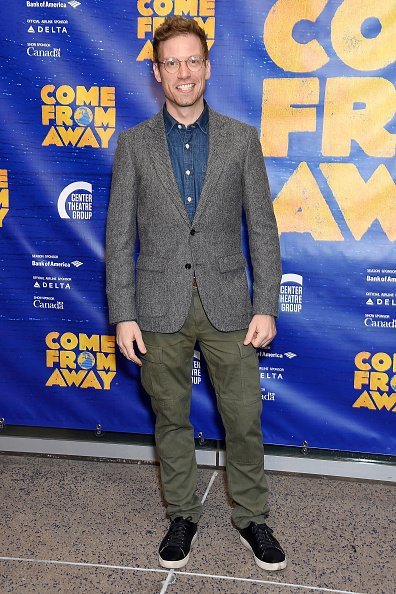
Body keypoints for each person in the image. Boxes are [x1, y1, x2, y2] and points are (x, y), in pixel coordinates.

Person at [106, 15, 286, 572]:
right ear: (157, 74)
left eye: (192, 60)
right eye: (171, 63)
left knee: (243, 417)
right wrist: (123, 313)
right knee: (171, 418)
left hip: (230, 303)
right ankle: (182, 513)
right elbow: (118, 237)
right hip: (157, 307)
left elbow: (262, 228)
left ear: (207, 67)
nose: (183, 72)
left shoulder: (241, 139)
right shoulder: (133, 145)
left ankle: (253, 518)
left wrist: (266, 304)